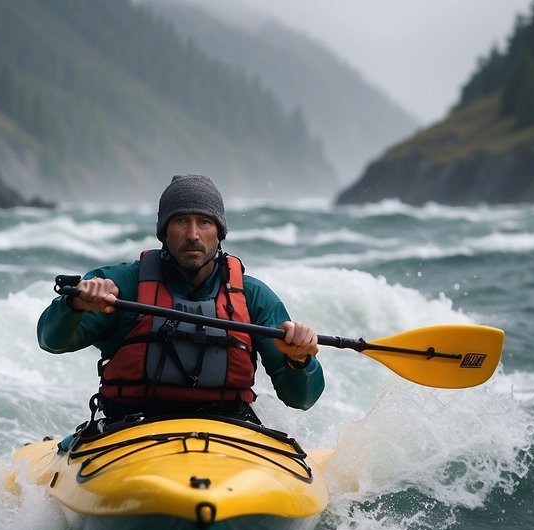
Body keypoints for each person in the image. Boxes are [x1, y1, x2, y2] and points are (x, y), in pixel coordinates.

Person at [37, 174, 323, 425]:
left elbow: (302, 400)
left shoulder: (253, 296)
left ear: (219, 233)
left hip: (229, 430)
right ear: (164, 231)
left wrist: (299, 360)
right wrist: (74, 306)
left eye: (205, 222)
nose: (193, 234)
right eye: (181, 221)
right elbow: (50, 341)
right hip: (131, 426)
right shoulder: (122, 285)